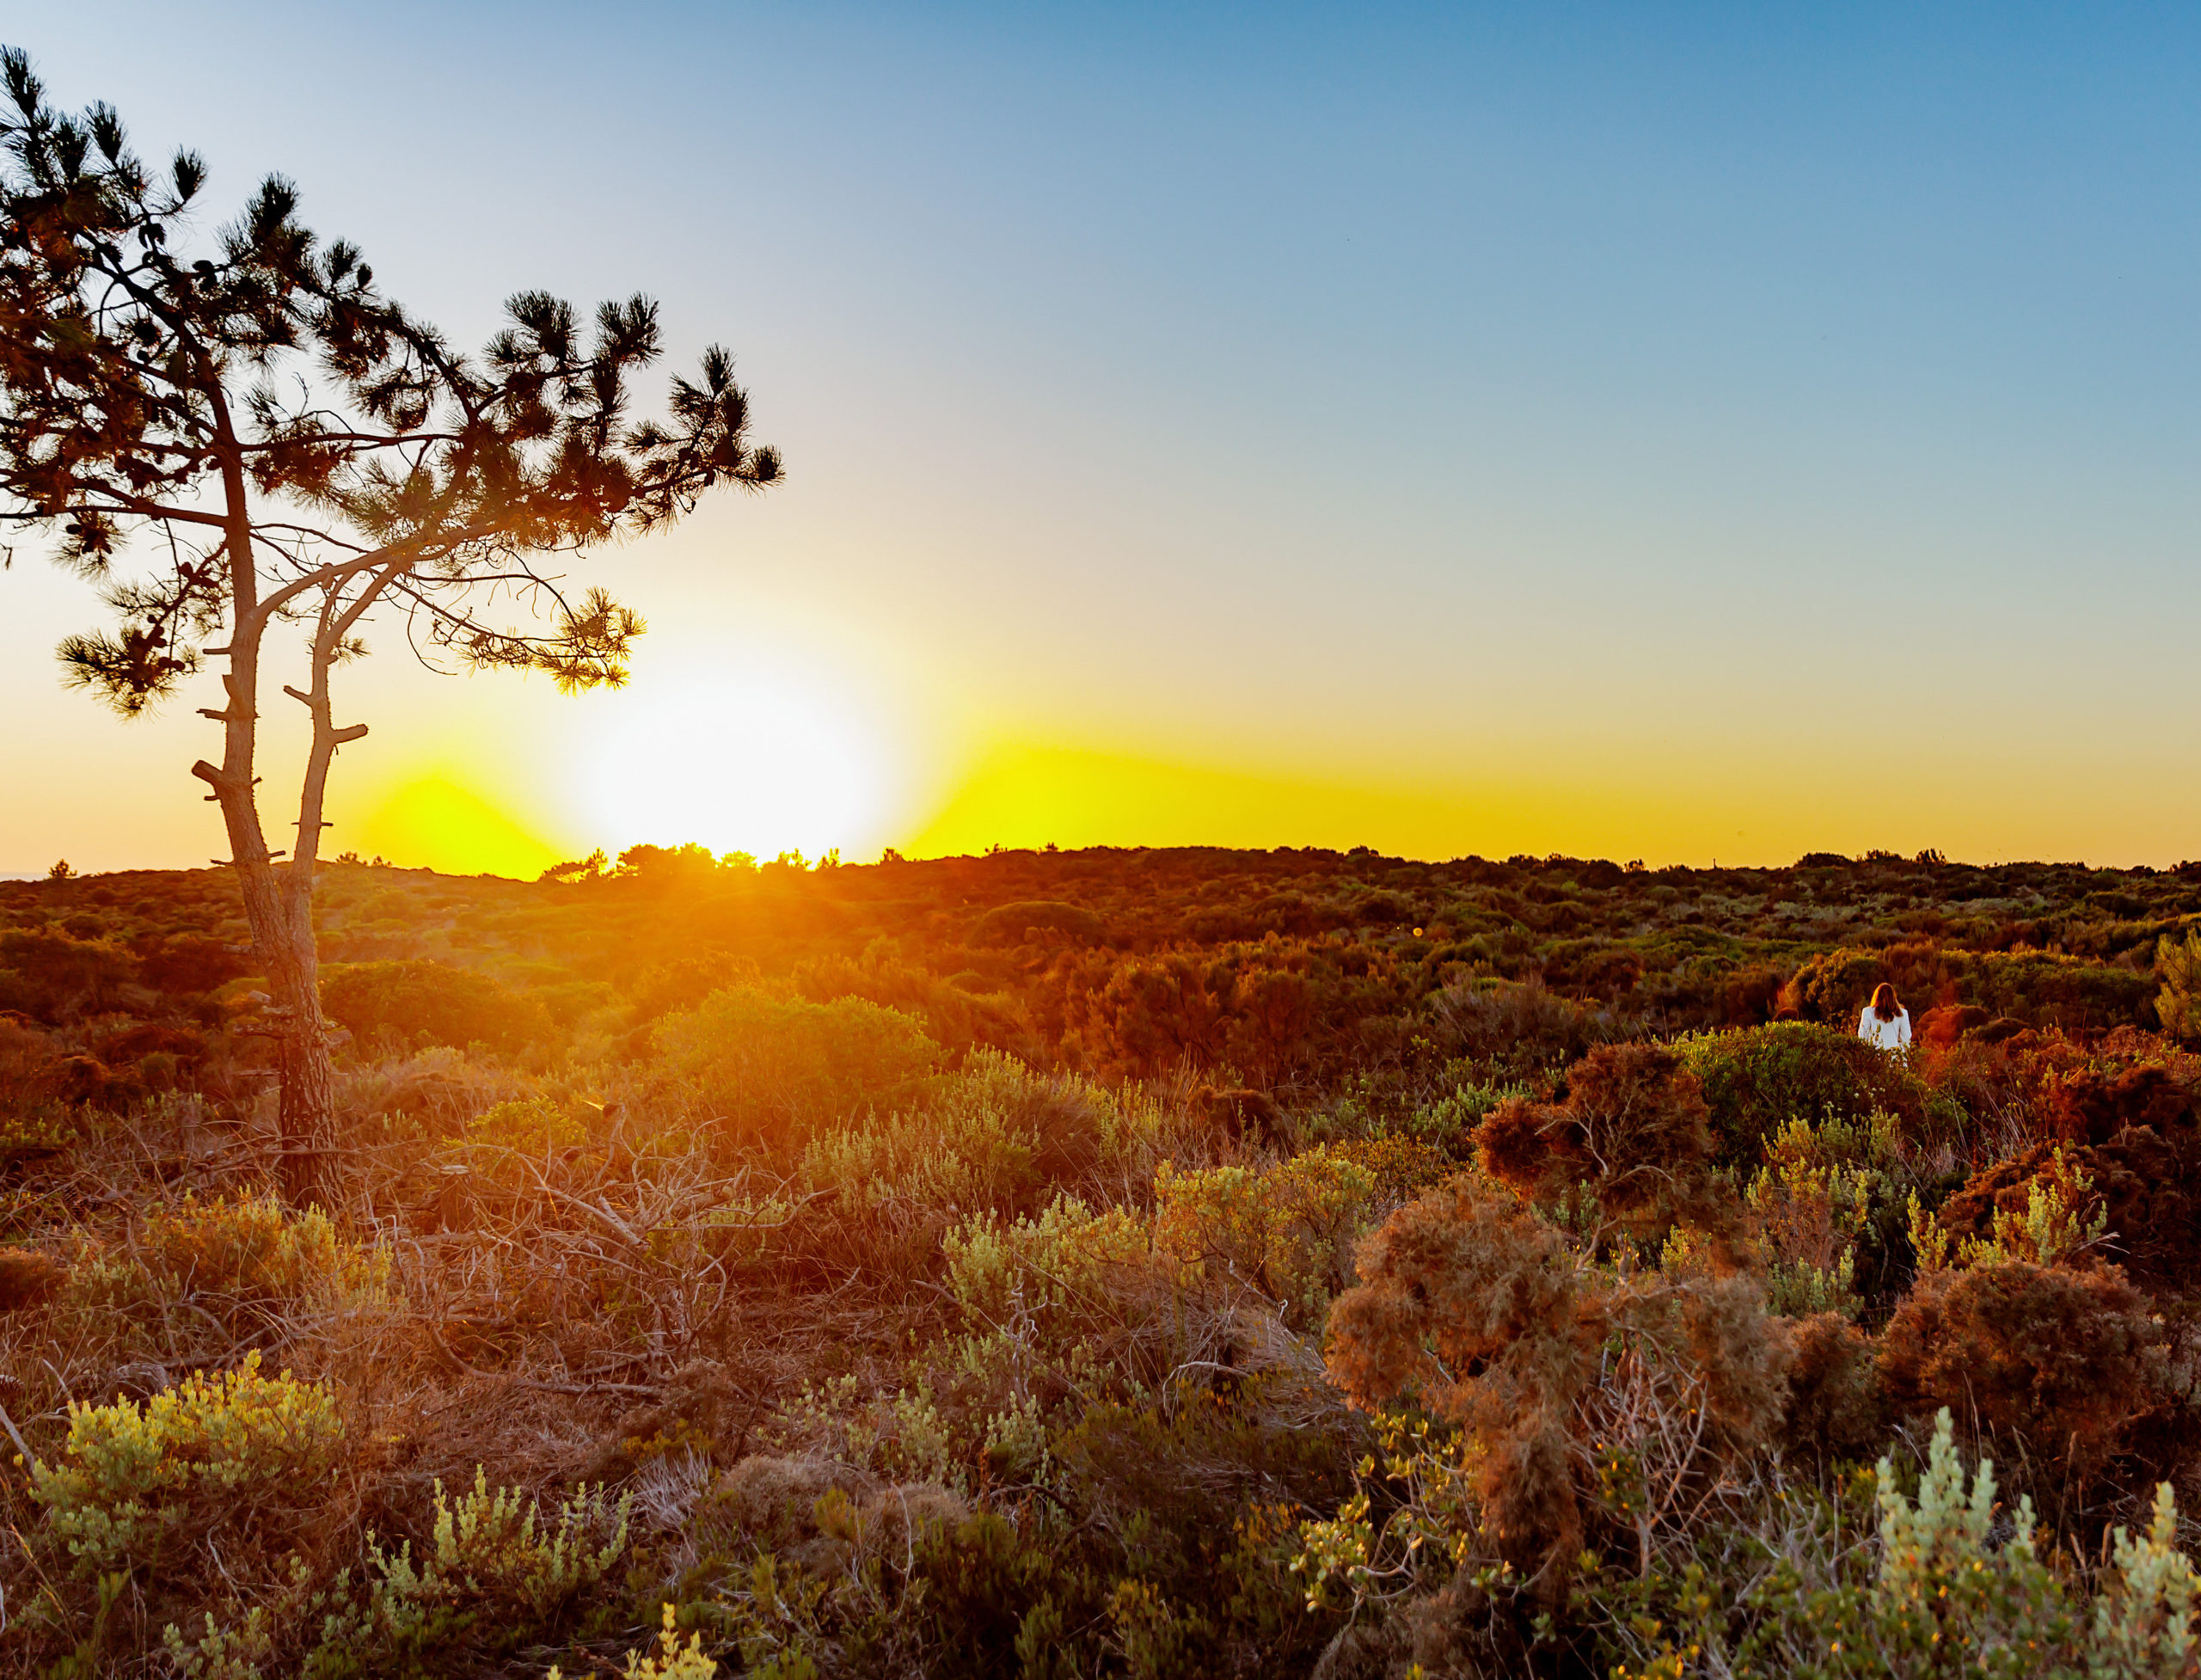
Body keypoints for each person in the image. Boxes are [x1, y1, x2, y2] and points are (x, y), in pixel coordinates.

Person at [1857, 982, 1911, 1051]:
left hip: (1874, 1057)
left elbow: (1863, 1037)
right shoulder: (1902, 1013)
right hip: (1895, 1057)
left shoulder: (1868, 1012)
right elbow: (1906, 1039)